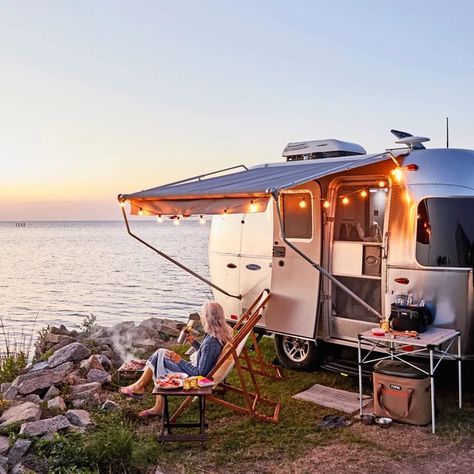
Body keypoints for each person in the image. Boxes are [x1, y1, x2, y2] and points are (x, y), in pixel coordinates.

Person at [119, 301, 232, 417]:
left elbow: (201, 373)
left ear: (208, 318)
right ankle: (139, 388)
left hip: (196, 378)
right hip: (196, 369)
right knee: (160, 353)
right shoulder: (216, 335)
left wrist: (179, 360)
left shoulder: (211, 343)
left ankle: (146, 395)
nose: (201, 317)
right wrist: (194, 343)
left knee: (160, 357)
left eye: (203, 315)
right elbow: (206, 356)